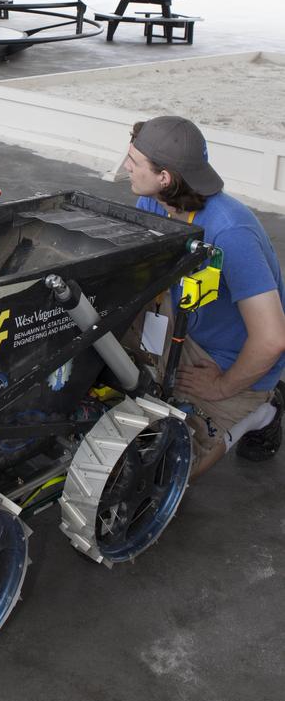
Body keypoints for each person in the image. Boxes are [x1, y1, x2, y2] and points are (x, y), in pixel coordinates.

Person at [124, 115, 285, 475]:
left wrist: (221, 386)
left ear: (164, 177)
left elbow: (273, 338)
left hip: (227, 357)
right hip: (183, 319)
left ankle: (263, 409)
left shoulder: (231, 231)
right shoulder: (154, 202)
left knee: (171, 472)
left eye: (134, 162)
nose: (125, 167)